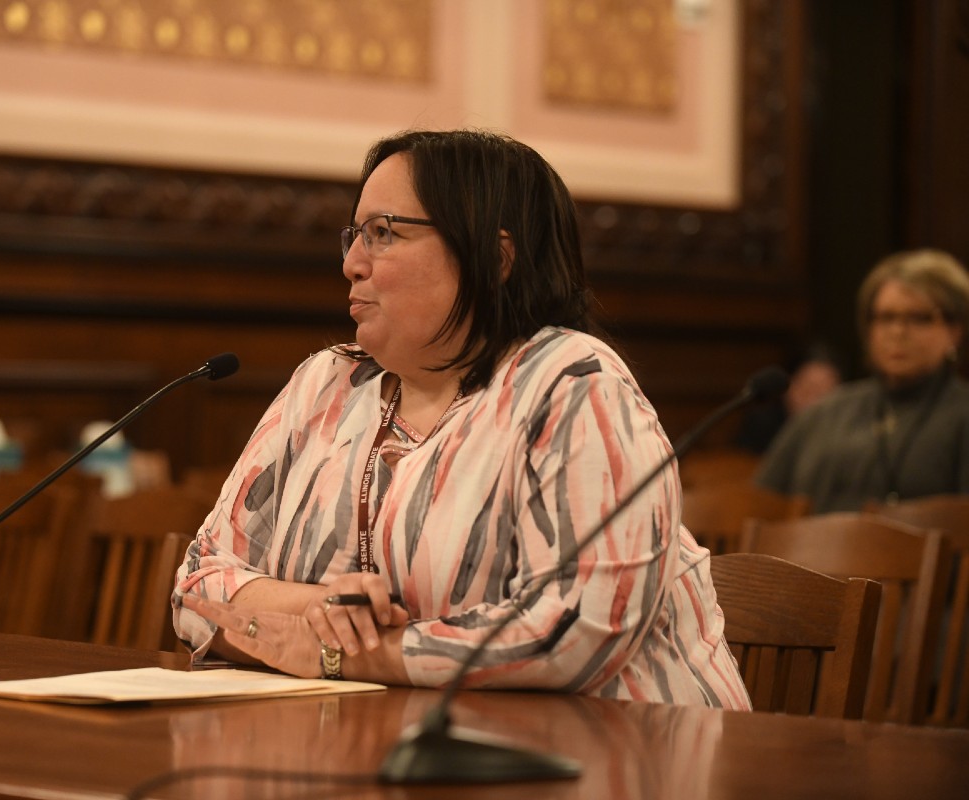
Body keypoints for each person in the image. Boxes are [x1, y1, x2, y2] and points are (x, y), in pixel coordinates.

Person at [173, 129, 750, 709]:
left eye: (384, 233)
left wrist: (342, 654)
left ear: (493, 259)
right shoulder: (324, 386)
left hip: (634, 759)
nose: (352, 264)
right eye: (355, 235)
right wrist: (317, 611)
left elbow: (578, 629)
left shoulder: (574, 384)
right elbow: (196, 586)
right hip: (400, 749)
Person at [757, 249, 969, 512]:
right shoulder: (824, 413)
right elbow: (760, 505)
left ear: (955, 330)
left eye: (918, 318)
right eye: (885, 317)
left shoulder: (962, 414)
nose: (897, 331)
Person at [733, 344, 843, 454]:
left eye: (825, 396)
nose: (815, 403)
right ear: (788, 388)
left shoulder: (843, 432)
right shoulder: (760, 425)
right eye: (808, 392)